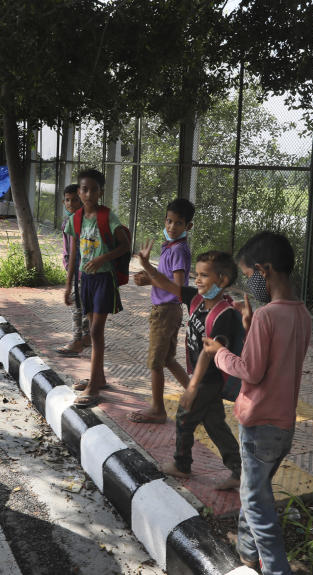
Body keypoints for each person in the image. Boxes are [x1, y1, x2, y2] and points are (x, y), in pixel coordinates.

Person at [201, 231, 311, 574]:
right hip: (283, 425)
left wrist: (220, 354)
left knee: (255, 501)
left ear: (264, 270)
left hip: (260, 424)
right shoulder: (300, 313)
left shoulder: (267, 316)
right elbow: (277, 360)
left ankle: (277, 569)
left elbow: (251, 370)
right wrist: (250, 329)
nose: (249, 284)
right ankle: (248, 554)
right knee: (256, 490)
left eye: (248, 276)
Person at [137, 244, 245, 491]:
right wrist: (145, 265)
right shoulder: (197, 299)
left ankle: (182, 464)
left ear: (223, 280)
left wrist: (192, 387)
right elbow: (166, 284)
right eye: (196, 275)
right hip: (202, 376)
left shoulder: (223, 314)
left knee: (185, 418)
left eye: (204, 275)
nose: (198, 280)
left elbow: (209, 352)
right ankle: (239, 471)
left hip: (209, 378)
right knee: (215, 423)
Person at [63, 169, 130, 407]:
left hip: (104, 280)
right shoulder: (76, 219)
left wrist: (103, 259)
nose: (88, 193)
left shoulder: (107, 217)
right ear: (78, 191)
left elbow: (124, 245)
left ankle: (93, 386)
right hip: (86, 281)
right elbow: (73, 256)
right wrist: (69, 284)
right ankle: (98, 378)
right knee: (92, 329)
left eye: (93, 189)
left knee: (95, 332)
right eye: (84, 189)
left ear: (101, 192)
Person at [129, 198, 194, 424]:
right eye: (169, 221)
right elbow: (165, 277)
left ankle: (158, 409)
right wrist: (148, 270)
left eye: (178, 223)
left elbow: (177, 288)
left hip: (166, 311)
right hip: (168, 310)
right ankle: (196, 396)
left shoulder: (178, 250)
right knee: (167, 359)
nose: (171, 227)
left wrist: (150, 278)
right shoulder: (172, 247)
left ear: (188, 226)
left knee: (155, 362)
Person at [56, 184, 91, 357]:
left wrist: (68, 283)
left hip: (79, 271)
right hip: (77, 270)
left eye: (75, 200)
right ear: (63, 202)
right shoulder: (70, 220)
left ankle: (77, 339)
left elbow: (75, 253)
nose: (71, 203)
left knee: (77, 307)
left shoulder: (78, 221)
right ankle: (86, 337)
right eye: (68, 200)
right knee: (83, 306)